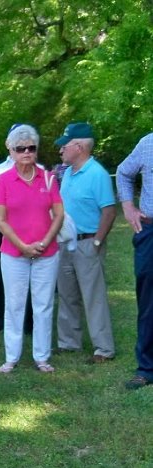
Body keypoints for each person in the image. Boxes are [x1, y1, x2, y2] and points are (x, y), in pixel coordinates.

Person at [0, 124, 64, 373]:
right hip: (13, 253)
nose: (26, 152)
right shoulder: (2, 180)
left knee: (43, 304)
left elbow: (59, 214)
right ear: (11, 151)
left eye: (31, 148)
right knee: (14, 304)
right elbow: (0, 220)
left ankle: (42, 357)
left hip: (47, 252)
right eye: (21, 148)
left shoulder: (48, 177)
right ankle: (11, 357)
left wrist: (44, 242)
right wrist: (22, 246)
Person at [54, 122, 116, 363]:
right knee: (67, 294)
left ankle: (103, 349)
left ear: (78, 147)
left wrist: (98, 242)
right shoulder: (67, 173)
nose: (61, 150)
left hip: (88, 242)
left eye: (64, 146)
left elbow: (109, 211)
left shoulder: (97, 174)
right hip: (65, 243)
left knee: (93, 296)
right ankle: (69, 343)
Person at [0, 124, 34, 335]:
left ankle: (29, 323)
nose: (24, 150)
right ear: (9, 144)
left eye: (28, 145)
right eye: (18, 143)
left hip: (30, 228)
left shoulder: (37, 170)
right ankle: (0, 321)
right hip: (2, 227)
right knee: (1, 273)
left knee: (31, 275)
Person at [116, 133, 153, 389]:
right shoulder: (148, 143)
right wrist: (128, 207)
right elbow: (123, 172)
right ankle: (146, 368)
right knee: (148, 299)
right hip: (150, 231)